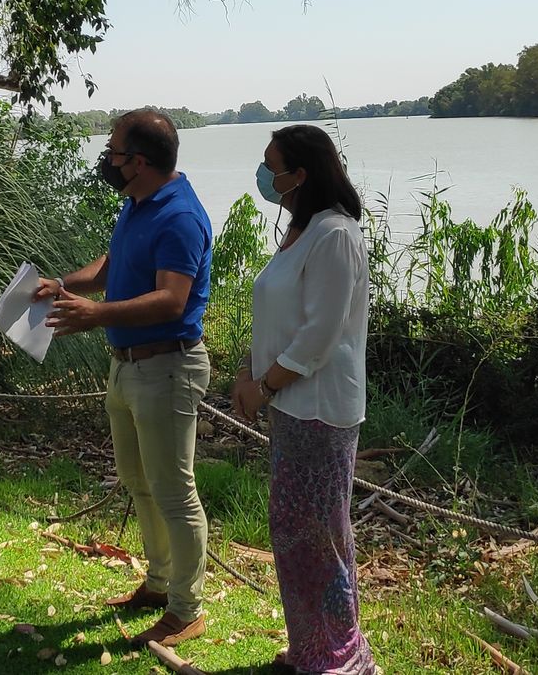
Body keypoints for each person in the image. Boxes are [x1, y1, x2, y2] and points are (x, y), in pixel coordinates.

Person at [38, 109, 213, 648]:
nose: (107, 160)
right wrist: (62, 284)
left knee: (173, 490)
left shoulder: (181, 215)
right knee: (139, 484)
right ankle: (159, 584)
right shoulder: (138, 203)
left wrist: (97, 316)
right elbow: (113, 266)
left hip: (168, 366)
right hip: (128, 367)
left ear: (138, 162)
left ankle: (187, 607)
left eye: (113, 151)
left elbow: (172, 298)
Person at [230, 124, 376, 675]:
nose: (265, 175)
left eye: (272, 165)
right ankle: (311, 650)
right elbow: (276, 315)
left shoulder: (335, 234)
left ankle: (337, 659)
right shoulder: (300, 230)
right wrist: (249, 372)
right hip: (289, 405)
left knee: (318, 537)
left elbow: (320, 334)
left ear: (301, 173)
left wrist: (264, 384)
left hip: (319, 409)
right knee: (295, 534)